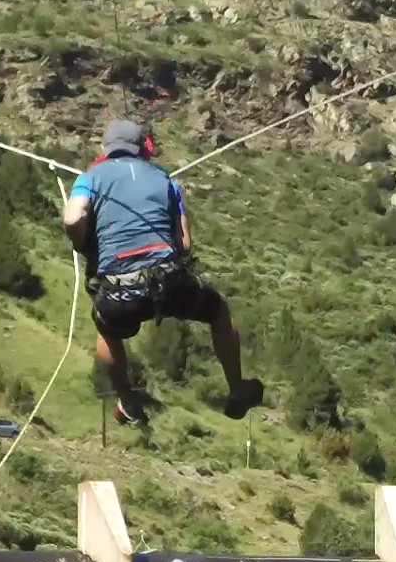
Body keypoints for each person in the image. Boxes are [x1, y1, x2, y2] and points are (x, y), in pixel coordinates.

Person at [63, 119, 264, 426]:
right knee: (217, 310)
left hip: (119, 292)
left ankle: (126, 398)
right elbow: (185, 245)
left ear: (105, 148)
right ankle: (236, 389)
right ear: (141, 148)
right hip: (169, 284)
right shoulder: (164, 179)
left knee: (106, 327)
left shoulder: (89, 179)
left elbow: (72, 218)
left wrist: (84, 246)